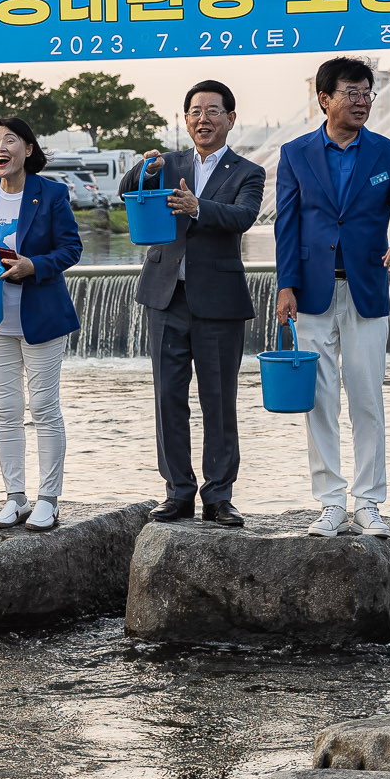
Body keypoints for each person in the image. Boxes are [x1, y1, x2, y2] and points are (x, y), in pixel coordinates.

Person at [272, 57, 390, 538]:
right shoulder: (295, 153)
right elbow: (286, 223)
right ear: (324, 99)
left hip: (366, 289)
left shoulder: (386, 152)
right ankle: (331, 503)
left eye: (367, 94)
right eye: (351, 93)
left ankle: (369, 504)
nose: (362, 102)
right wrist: (285, 285)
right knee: (319, 401)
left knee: (367, 399)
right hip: (312, 294)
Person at [133, 80, 265, 527]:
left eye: (212, 111)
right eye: (194, 112)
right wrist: (142, 168)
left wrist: (197, 207)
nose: (202, 119)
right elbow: (129, 192)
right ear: (185, 119)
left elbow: (243, 217)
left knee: (219, 401)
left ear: (230, 118)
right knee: (168, 398)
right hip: (166, 298)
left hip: (219, 302)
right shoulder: (166, 164)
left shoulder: (248, 171)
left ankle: (219, 496)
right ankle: (177, 492)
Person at [0, 116, 82, 531]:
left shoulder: (50, 193)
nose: (0, 147)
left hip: (42, 317)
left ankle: (48, 499)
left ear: (28, 149)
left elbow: (71, 248)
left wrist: (35, 265)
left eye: (10, 140)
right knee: (6, 412)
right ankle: (15, 498)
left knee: (45, 409)